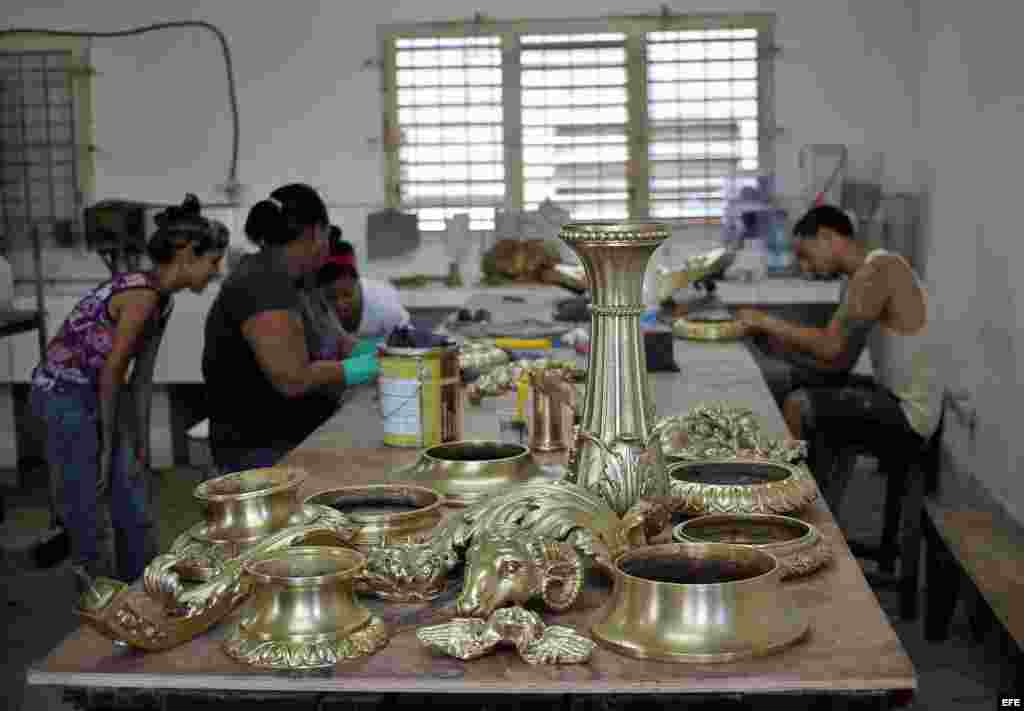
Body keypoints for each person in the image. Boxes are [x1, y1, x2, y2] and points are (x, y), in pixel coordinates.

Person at [30, 194, 227, 587]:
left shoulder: (163, 302)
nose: (216, 271)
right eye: (213, 261)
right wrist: (106, 447)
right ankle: (98, 597)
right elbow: (113, 371)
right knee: (87, 502)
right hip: (63, 394)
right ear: (186, 254)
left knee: (131, 491)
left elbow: (141, 378)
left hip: (101, 391)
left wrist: (137, 445)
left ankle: (144, 589)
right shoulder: (141, 296)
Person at [735, 204, 942, 507]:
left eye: (805, 255)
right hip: (890, 396)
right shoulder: (857, 280)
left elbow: (830, 347)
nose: (805, 267)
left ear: (827, 236)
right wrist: (779, 350)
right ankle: (804, 491)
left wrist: (766, 322)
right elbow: (838, 365)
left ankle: (791, 507)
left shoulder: (878, 271)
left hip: (911, 417)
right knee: (786, 381)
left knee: (799, 405)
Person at [202, 184, 379, 475]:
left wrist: (382, 351)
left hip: (301, 435)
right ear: (316, 232)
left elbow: (337, 340)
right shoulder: (261, 283)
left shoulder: (301, 280)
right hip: (262, 450)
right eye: (326, 234)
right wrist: (359, 369)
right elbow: (292, 379)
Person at [320, 238, 410, 339]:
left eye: (347, 294)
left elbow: (404, 343)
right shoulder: (317, 302)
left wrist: (362, 346)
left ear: (357, 282)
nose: (340, 304)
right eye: (331, 297)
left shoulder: (386, 307)